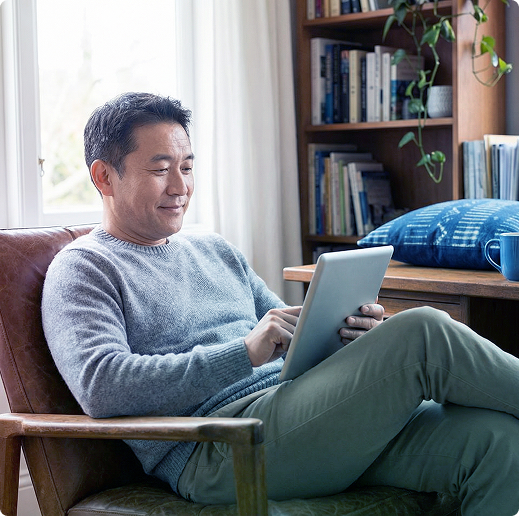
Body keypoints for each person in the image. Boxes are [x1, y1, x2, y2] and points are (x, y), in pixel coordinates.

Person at [42, 92, 519, 516]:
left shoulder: (215, 250)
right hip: (220, 446)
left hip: (297, 418)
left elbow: (295, 338)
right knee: (423, 333)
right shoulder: (84, 268)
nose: (180, 186)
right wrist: (243, 353)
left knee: (498, 443)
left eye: (187, 167)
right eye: (160, 169)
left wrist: (351, 337)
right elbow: (101, 386)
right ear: (104, 177)